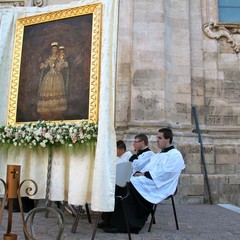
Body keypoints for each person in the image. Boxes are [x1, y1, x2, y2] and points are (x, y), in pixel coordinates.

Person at [100, 128, 185, 234]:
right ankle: (108, 220)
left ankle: (124, 225)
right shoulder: (159, 154)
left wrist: (145, 174)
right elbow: (148, 167)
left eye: (160, 138)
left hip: (161, 185)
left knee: (129, 187)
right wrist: (141, 173)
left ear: (168, 139)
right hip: (151, 181)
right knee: (120, 183)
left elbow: (167, 173)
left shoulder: (175, 155)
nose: (157, 140)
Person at [37, 42, 67, 120]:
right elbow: (46, 65)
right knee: (48, 92)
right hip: (49, 76)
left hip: (57, 76)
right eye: (53, 49)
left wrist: (62, 63)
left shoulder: (59, 57)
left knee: (57, 92)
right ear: (51, 50)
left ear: (57, 49)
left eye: (55, 49)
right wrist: (43, 65)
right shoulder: (49, 58)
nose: (54, 50)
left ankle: (57, 112)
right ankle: (47, 112)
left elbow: (61, 66)